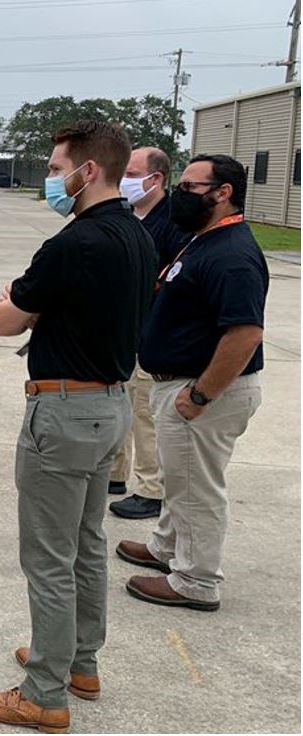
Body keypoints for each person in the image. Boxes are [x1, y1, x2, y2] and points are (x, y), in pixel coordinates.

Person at [0, 121, 156, 732]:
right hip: (111, 406)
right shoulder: (137, 235)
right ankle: (79, 661)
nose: (51, 178)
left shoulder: (72, 244)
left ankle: (44, 693)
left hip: (64, 412)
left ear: (87, 170)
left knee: (48, 556)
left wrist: (14, 304)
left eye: (55, 167)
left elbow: (4, 321)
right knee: (87, 542)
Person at [117, 154, 267, 613]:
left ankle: (197, 580)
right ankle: (167, 550)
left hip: (202, 392)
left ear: (223, 193)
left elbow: (244, 333)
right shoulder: (204, 240)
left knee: (197, 489)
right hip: (178, 384)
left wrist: (200, 394)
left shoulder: (233, 254)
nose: (180, 195)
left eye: (190, 187)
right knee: (179, 478)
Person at [108, 146, 192, 519]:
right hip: (125, 328)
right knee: (120, 402)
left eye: (130, 173)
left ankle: (151, 489)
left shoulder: (174, 223)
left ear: (155, 178)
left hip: (152, 331)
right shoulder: (131, 215)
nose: (124, 181)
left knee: (144, 411)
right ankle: (115, 471)